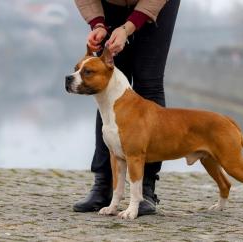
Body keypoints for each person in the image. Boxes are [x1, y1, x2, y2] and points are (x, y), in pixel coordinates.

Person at [73, 0, 180, 216]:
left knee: (149, 82)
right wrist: (98, 24)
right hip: (109, 6)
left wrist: (127, 28)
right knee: (108, 91)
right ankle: (104, 183)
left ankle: (146, 188)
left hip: (156, 7)